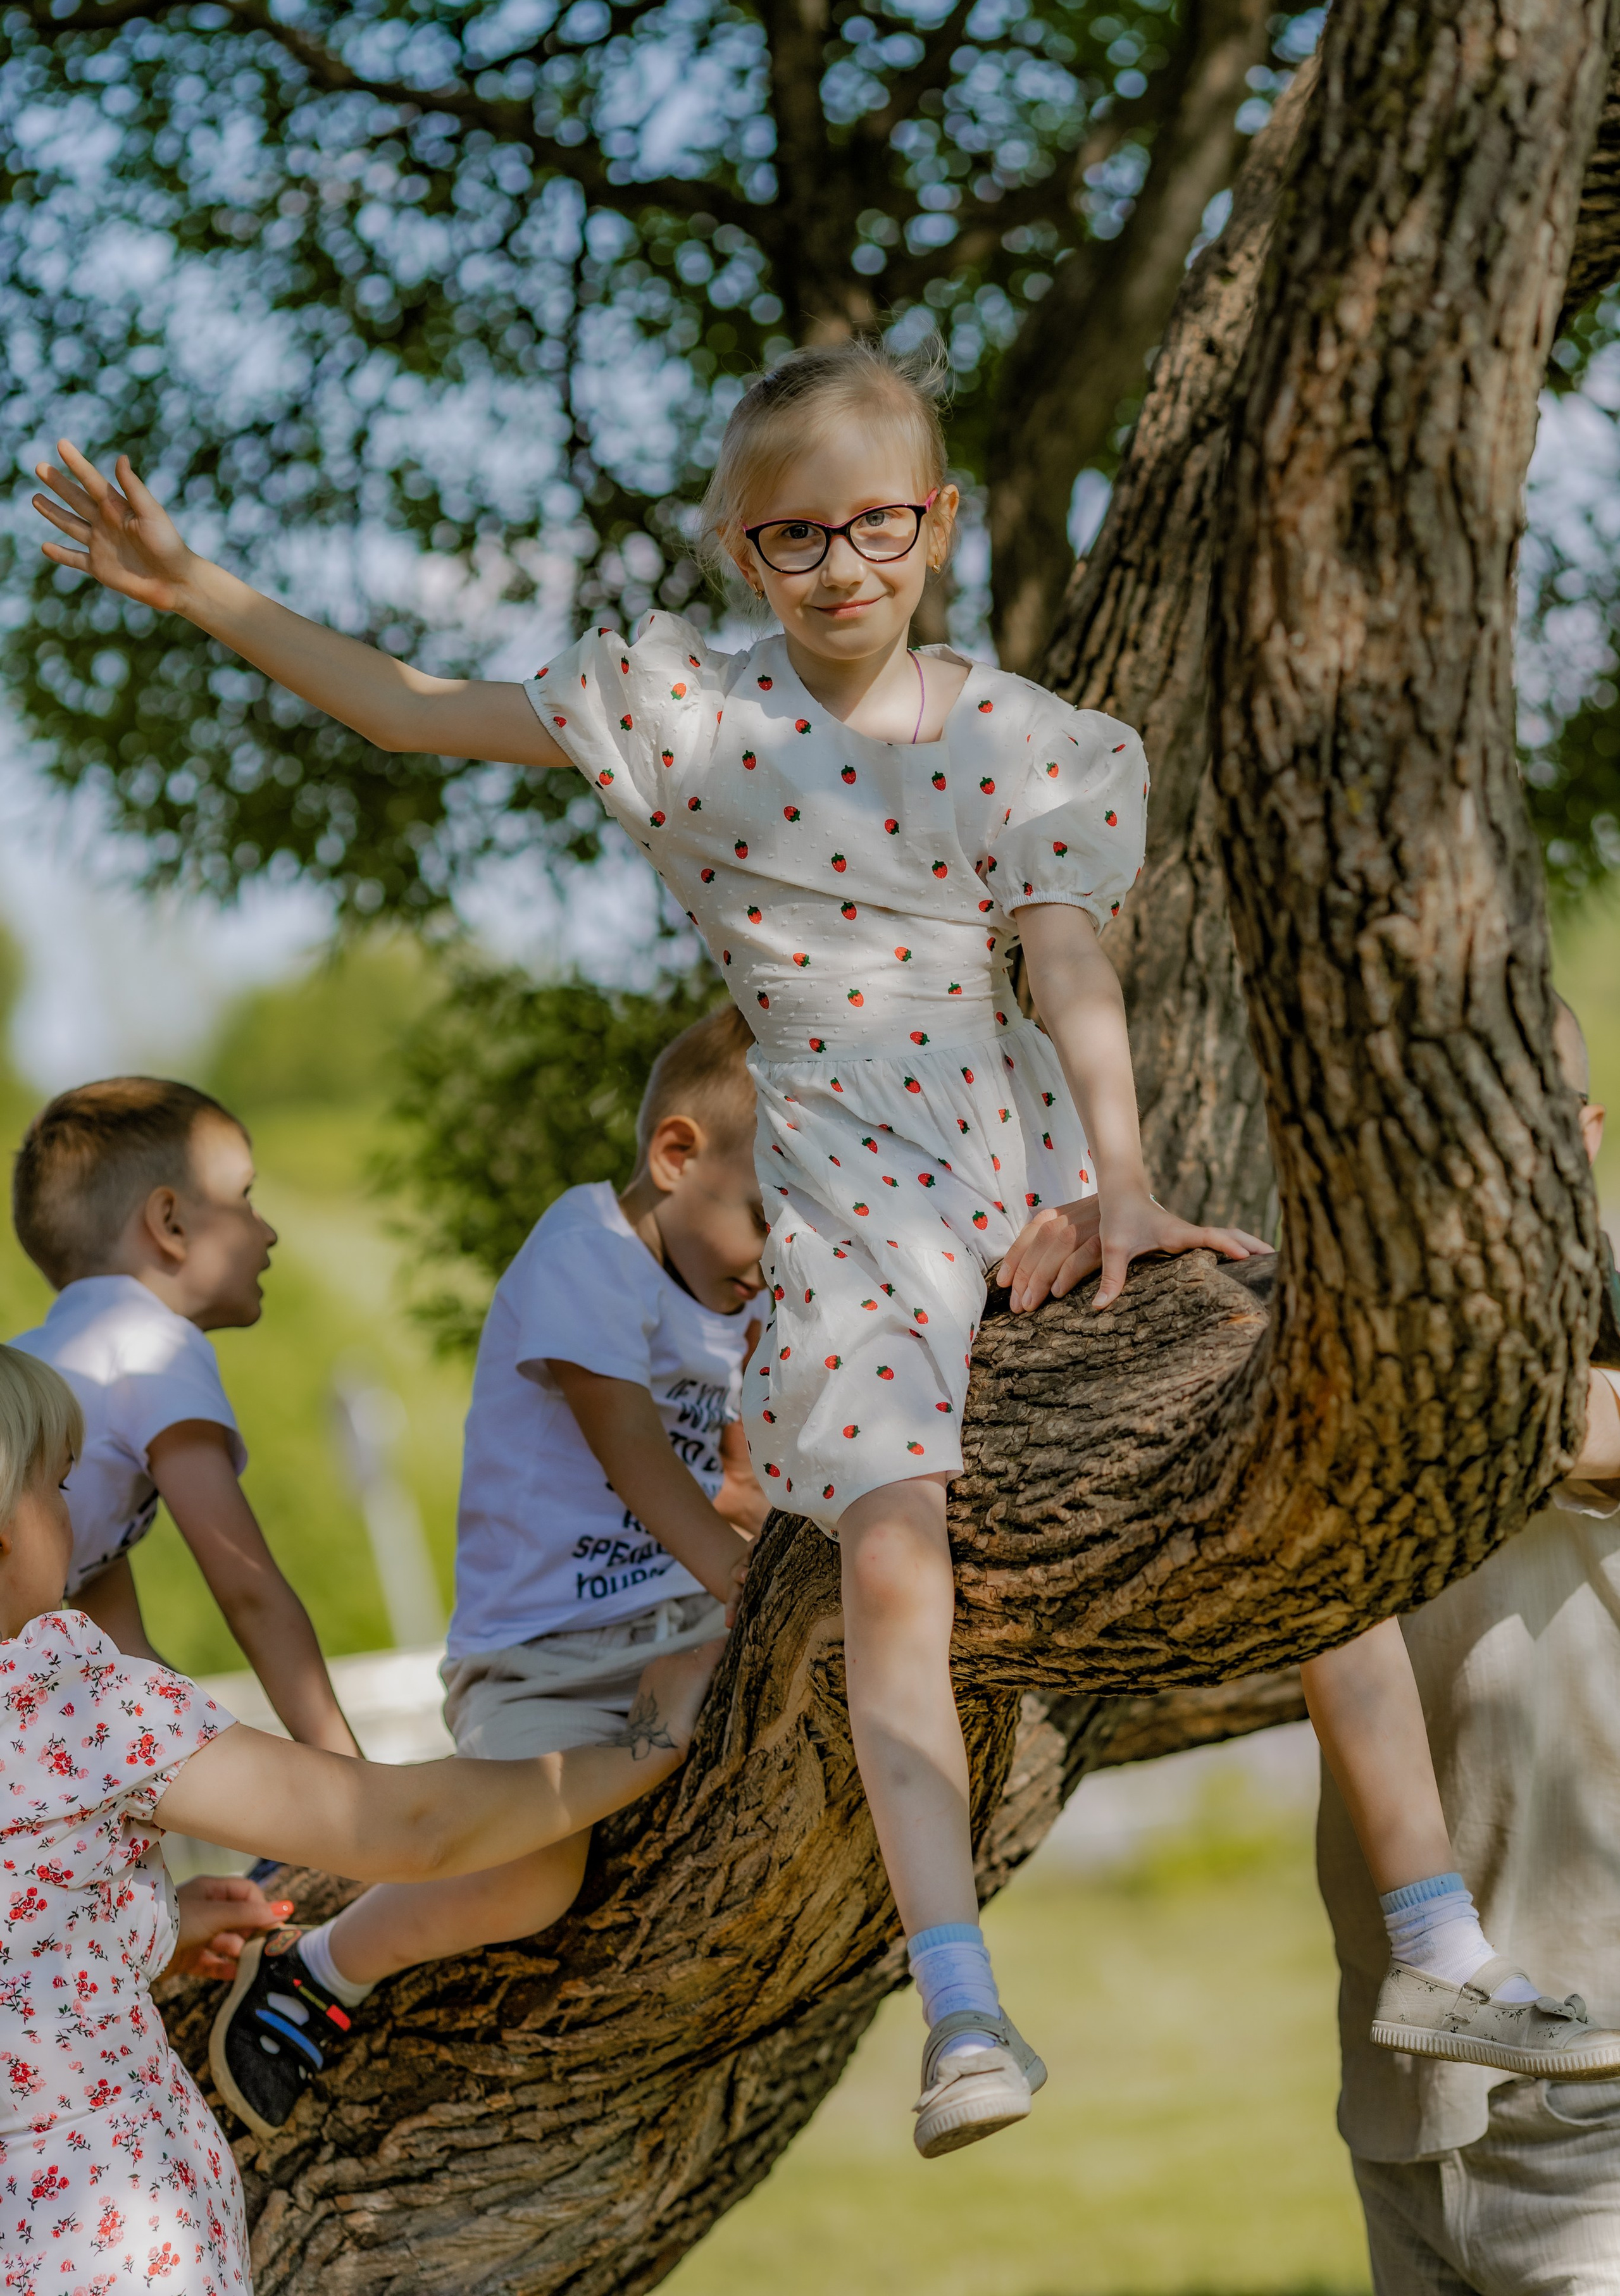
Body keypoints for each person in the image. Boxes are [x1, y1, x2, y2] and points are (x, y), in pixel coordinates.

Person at [27, 341, 1597, 2159]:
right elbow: (408, 706)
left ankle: (1435, 1933)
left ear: (938, 518)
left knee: (1284, 1457)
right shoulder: (691, 711)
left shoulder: (1018, 734)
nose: (843, 565)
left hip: (1017, 1172)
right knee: (891, 1567)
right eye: (793, 536)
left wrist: (1127, 1183)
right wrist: (192, 585)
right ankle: (960, 2001)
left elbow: (1072, 959)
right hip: (848, 1208)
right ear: (740, 546)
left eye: (877, 524)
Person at [0, 1341, 716, 2296]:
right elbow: (411, 1830)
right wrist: (652, 1742)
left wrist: (149, 1929)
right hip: (107, 2248)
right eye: (54, 1485)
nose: (70, 1512)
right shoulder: (63, 1703)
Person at [206, 1003, 768, 2137]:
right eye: (770, 1215)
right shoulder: (586, 1256)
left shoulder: (745, 1294)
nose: (786, 1252)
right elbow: (645, 1467)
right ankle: (321, 1968)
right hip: (544, 1660)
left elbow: (739, 1486)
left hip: (679, 1624)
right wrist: (757, 1601)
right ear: (675, 1156)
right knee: (533, 1875)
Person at [1319, 995, 1620, 2294]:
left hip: (1593, 2066)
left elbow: (1546, 1421)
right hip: (1403, 2078)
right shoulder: (1353, 1337)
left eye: (1515, 1122)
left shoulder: (1577, 1327)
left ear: (1583, 1135)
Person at [9, 1075, 361, 1759]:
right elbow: (249, 1592)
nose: (268, 1231)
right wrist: (352, 1789)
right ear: (169, 1223)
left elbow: (126, 1670)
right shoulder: (152, 1345)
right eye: (246, 1197)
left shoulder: (72, 1383)